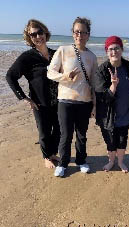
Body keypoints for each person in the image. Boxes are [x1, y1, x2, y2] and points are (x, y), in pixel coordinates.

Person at [47, 17, 98, 177]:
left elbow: (94, 83)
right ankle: (62, 163)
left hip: (84, 101)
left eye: (83, 32)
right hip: (65, 100)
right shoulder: (63, 50)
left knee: (82, 134)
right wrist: (66, 76)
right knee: (66, 134)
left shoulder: (92, 57)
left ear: (88, 35)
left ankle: (81, 161)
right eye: (77, 32)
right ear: (72, 33)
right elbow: (50, 73)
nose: (80, 35)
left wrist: (95, 105)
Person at [6, 19, 60, 169]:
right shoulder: (27, 57)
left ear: (45, 32)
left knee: (58, 129)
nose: (37, 36)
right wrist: (24, 98)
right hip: (39, 103)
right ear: (29, 38)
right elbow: (10, 76)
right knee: (44, 132)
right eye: (33, 34)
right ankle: (46, 157)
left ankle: (52, 153)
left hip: (58, 101)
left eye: (40, 32)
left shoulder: (56, 54)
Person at [95, 36, 129, 173]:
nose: (114, 52)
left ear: (122, 49)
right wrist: (113, 85)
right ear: (107, 52)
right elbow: (102, 97)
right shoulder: (102, 70)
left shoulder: (128, 67)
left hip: (125, 113)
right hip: (107, 115)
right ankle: (111, 161)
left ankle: (120, 162)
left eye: (117, 48)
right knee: (110, 141)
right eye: (111, 49)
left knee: (122, 140)